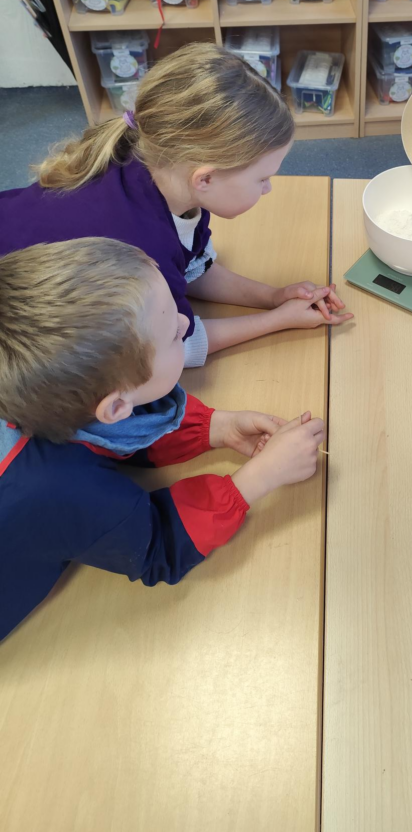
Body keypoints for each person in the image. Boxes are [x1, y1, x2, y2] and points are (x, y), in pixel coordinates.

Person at [0, 237, 326, 641]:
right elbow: (156, 546)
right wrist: (261, 477)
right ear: (115, 406)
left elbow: (110, 428)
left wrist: (216, 427)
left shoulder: (44, 393)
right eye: (172, 335)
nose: (186, 324)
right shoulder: (54, 487)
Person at [0, 43, 352, 368]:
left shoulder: (164, 172)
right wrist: (277, 321)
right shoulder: (141, 246)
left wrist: (273, 296)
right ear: (206, 178)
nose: (268, 189)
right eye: (262, 179)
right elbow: (173, 349)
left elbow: (191, 267)